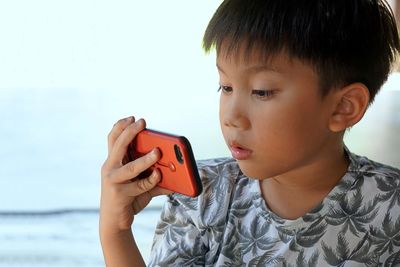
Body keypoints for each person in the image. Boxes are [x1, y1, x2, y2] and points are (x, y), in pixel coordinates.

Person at [99, 0, 400, 266]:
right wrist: (115, 231)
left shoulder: (391, 207)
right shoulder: (201, 197)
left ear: (343, 108)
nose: (231, 117)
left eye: (262, 91)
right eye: (226, 87)